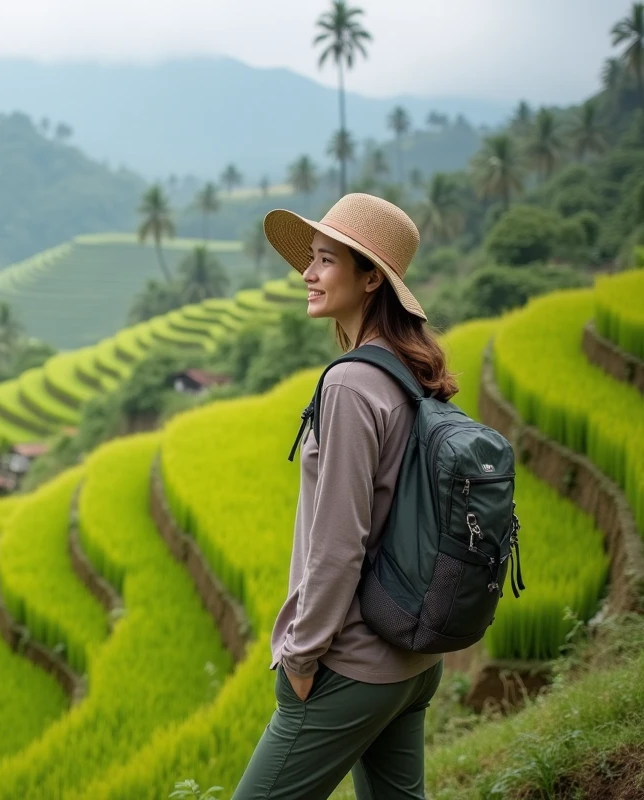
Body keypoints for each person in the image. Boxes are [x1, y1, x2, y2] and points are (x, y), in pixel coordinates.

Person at [231, 193, 457, 800]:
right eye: (310, 258)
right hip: (412, 660)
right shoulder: (412, 374)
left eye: (326, 260)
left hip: (352, 661)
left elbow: (337, 544)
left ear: (371, 278)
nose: (307, 274)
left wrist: (302, 659)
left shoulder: (352, 385)